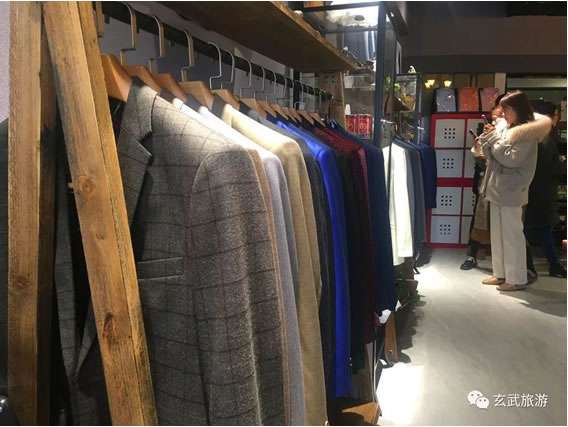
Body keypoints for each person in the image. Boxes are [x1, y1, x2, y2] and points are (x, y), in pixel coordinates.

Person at [479, 90, 552, 291]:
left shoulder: (526, 134)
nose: (503, 114)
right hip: (498, 187)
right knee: (498, 235)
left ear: (516, 109)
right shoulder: (506, 128)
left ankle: (516, 278)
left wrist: (494, 138)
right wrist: (489, 138)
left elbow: (511, 159)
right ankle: (501, 274)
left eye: (506, 109)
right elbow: (492, 154)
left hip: (512, 189)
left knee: (512, 236)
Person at [525, 100, 567, 278]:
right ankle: (547, 265)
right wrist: (562, 164)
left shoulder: (536, 135)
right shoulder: (546, 138)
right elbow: (550, 166)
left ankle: (531, 265)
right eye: (557, 115)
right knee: (539, 228)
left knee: (533, 228)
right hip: (541, 190)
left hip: (532, 189)